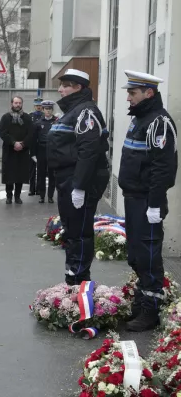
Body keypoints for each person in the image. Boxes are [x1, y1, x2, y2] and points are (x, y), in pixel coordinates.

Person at [118, 70, 178, 332]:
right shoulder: (141, 119)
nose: (129, 98)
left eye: (132, 93)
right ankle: (142, 303)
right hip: (134, 198)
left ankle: (151, 312)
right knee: (136, 254)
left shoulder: (158, 123)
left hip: (146, 201)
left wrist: (155, 203)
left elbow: (162, 168)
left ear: (148, 93)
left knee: (149, 254)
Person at [46, 69, 110, 286]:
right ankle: (73, 276)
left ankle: (79, 280)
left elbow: (88, 151)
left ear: (78, 88)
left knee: (80, 231)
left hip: (78, 179)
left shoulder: (85, 112)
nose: (60, 89)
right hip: (68, 178)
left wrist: (80, 186)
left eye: (65, 85)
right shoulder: (74, 110)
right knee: (72, 230)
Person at [0, 96, 34, 204]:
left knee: (20, 174)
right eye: (15, 103)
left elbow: (31, 133)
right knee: (9, 174)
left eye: (19, 103)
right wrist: (14, 143)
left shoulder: (27, 118)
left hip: (22, 151)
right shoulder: (6, 117)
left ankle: (17, 196)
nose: (17, 105)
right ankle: (9, 196)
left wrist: (22, 144)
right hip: (10, 150)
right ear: (12, 104)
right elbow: (3, 133)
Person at [33, 100, 58, 204]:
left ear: (52, 110)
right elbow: (34, 139)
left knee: (52, 174)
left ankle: (51, 196)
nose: (48, 111)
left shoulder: (57, 122)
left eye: (50, 109)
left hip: (52, 150)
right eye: (46, 109)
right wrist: (33, 153)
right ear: (43, 110)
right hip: (41, 150)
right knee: (41, 174)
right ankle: (42, 195)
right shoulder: (38, 123)